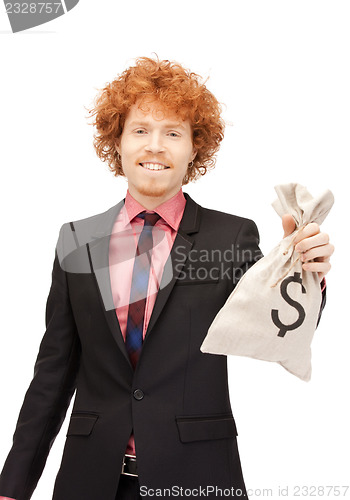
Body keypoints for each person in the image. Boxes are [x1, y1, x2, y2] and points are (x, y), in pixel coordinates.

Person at [0, 57, 334, 500]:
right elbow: (53, 373)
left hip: (197, 475)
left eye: (173, 133)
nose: (155, 146)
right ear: (117, 141)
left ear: (194, 148)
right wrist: (12, 486)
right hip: (90, 478)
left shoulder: (230, 236)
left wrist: (306, 273)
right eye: (140, 130)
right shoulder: (76, 240)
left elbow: (275, 319)